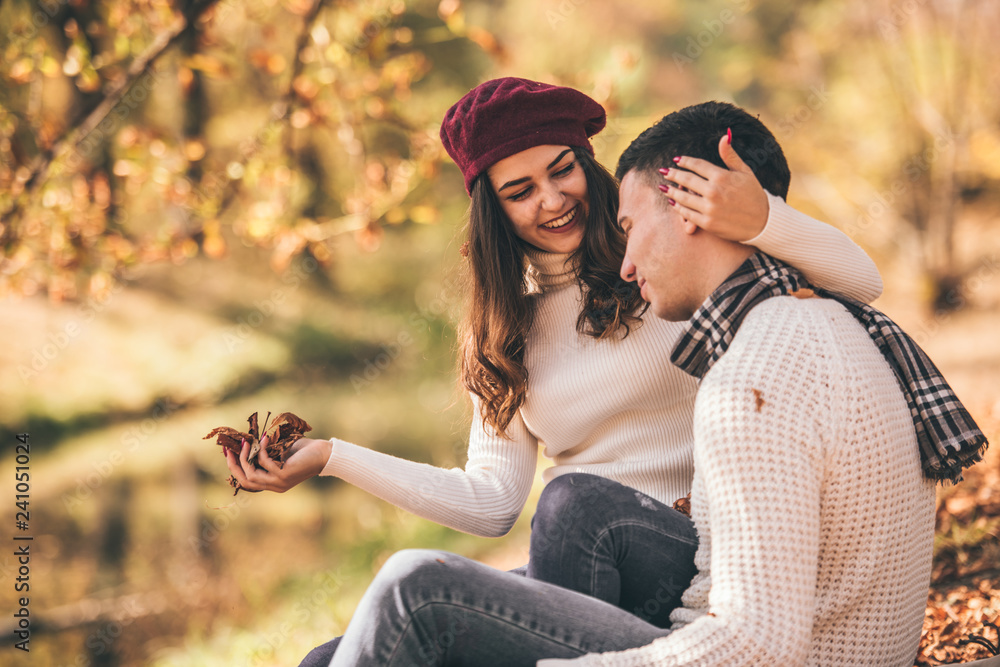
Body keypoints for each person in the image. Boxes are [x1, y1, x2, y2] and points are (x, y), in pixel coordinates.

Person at [222, 79, 882, 660]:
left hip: (690, 558)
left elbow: (861, 281)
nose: (550, 199)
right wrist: (332, 456)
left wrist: (766, 218)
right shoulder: (504, 327)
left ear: (587, 163)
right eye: (520, 190)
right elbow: (491, 501)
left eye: (561, 170)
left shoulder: (662, 259)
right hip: (579, 565)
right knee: (330, 654)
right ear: (492, 210)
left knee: (572, 502)